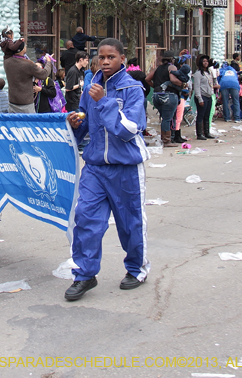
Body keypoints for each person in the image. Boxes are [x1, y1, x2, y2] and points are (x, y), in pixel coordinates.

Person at [64, 39, 150, 301]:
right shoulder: (91, 88)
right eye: (100, 57)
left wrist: (103, 102)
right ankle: (85, 274)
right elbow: (86, 124)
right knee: (86, 218)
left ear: (122, 58)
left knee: (130, 222)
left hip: (125, 168)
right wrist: (75, 122)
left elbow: (128, 130)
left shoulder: (133, 89)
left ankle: (136, 269)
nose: (104, 62)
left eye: (111, 57)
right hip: (95, 168)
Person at [2, 34, 53, 113]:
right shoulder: (28, 64)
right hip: (26, 103)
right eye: (25, 46)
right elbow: (44, 74)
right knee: (29, 124)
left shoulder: (7, 62)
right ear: (22, 50)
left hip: (12, 101)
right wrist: (49, 62)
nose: (26, 47)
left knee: (14, 124)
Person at [147, 50, 184, 147]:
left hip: (156, 96)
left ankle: (165, 138)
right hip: (168, 95)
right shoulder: (171, 67)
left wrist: (155, 86)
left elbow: (147, 79)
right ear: (172, 59)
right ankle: (167, 141)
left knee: (165, 118)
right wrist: (182, 84)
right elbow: (173, 79)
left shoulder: (157, 68)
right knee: (167, 119)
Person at [192, 55, 216, 140]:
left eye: (207, 61)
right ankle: (199, 134)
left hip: (209, 96)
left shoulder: (209, 73)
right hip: (202, 96)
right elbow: (197, 87)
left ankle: (207, 132)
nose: (206, 63)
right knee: (200, 115)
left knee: (207, 115)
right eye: (204, 61)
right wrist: (199, 99)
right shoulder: (198, 74)